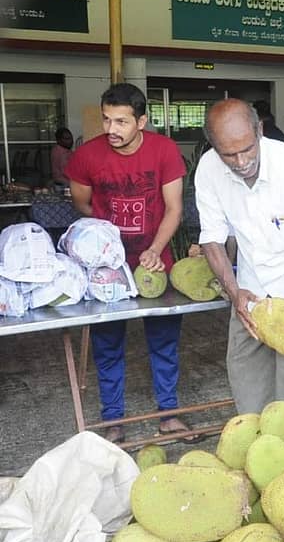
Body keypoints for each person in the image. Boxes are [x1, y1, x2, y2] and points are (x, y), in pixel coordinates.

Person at [66, 83, 192, 445]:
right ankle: (113, 421)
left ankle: (168, 415)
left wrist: (154, 248)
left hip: (156, 262)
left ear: (142, 121)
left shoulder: (164, 150)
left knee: (164, 343)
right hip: (109, 270)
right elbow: (83, 205)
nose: (112, 130)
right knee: (108, 345)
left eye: (121, 121)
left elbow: (175, 209)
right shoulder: (88, 156)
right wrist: (109, 246)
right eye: (107, 120)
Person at [195, 98, 284, 420]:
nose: (241, 161)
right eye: (229, 154)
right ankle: (257, 447)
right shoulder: (208, 170)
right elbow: (212, 238)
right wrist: (234, 292)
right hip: (250, 289)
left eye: (247, 149)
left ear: (259, 130)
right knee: (245, 378)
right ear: (213, 147)